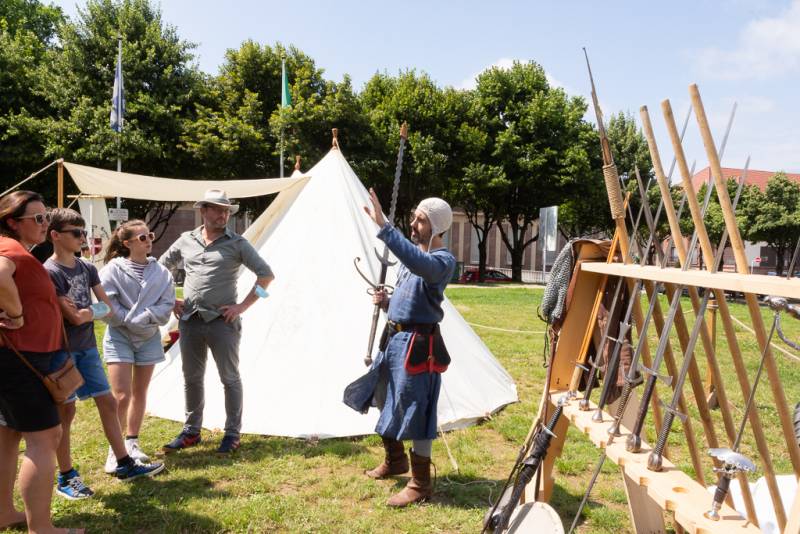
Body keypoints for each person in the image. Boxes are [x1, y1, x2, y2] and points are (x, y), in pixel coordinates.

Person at [345, 189, 456, 507]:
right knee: (382, 397)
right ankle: (395, 460)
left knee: (418, 411)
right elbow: (409, 298)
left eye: (420, 220)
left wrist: (384, 226)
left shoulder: (441, 261)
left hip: (419, 346)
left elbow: (420, 263)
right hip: (393, 340)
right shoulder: (413, 260)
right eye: (414, 218)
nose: (413, 224)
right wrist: (387, 303)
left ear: (437, 227)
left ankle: (421, 483)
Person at [45, 209, 164, 495]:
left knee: (108, 402)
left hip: (86, 348)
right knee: (66, 412)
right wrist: (88, 313)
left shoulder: (87, 268)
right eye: (76, 233)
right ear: (56, 235)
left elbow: (105, 309)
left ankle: (123, 461)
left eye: (83, 231)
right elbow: (73, 316)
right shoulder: (49, 271)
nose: (82, 237)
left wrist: (87, 313)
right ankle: (66, 476)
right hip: (61, 352)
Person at [159, 189, 274, 454]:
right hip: (189, 321)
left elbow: (266, 277)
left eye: (226, 211)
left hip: (223, 323)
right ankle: (191, 432)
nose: (223, 215)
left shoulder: (238, 243)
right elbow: (160, 269)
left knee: (230, 378)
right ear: (204, 211)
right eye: (218, 209)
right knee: (192, 378)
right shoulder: (185, 240)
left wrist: (243, 305)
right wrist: (169, 300)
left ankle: (232, 433)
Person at [0, 191, 84, 533]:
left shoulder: (14, 249)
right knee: (45, 437)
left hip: (18, 358)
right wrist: (17, 315)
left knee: (8, 436)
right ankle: (42, 529)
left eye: (45, 217)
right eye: (37, 218)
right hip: (24, 360)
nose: (44, 223)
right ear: (12, 222)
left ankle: (5, 513)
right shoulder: (9, 249)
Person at [100, 219, 174, 474]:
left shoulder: (161, 272)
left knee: (140, 391)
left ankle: (132, 441)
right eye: (142, 237)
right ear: (127, 243)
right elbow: (105, 302)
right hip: (119, 335)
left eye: (149, 235)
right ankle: (115, 450)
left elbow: (167, 305)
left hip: (148, 336)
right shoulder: (112, 269)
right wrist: (126, 320)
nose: (148, 240)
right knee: (121, 395)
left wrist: (145, 318)